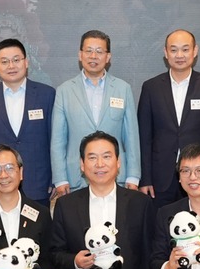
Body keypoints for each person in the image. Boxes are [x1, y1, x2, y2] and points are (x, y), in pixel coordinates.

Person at [49, 132, 150, 269]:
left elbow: (148, 256)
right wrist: (75, 261)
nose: (100, 164)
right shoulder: (66, 205)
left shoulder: (139, 203)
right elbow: (55, 253)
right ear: (82, 164)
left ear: (118, 162)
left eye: (106, 156)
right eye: (92, 158)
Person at [136, 28, 200, 207]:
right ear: (166, 52)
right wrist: (145, 178)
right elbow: (144, 138)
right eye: (174, 50)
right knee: (160, 222)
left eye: (185, 49)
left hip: (197, 176)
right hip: (160, 178)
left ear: (195, 51)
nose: (180, 55)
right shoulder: (151, 88)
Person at [50, 29, 140, 197]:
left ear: (108, 57)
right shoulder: (64, 91)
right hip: (76, 178)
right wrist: (60, 179)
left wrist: (133, 175)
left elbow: (131, 137)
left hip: (116, 176)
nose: (93, 56)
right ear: (80, 55)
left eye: (99, 51)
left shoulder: (123, 89)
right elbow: (58, 140)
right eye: (89, 51)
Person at [0, 38, 53, 205]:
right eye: (4, 61)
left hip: (39, 183)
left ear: (26, 62)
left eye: (16, 60)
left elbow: (54, 140)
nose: (11, 66)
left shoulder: (47, 94)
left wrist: (55, 180)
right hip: (0, 184)